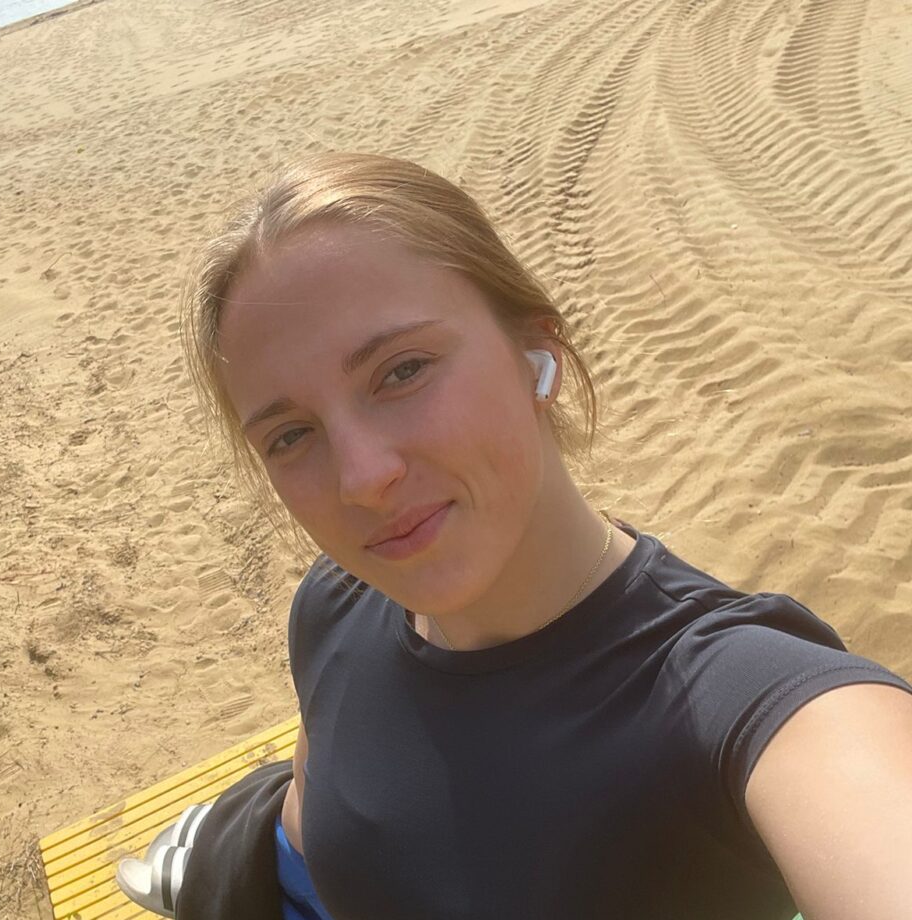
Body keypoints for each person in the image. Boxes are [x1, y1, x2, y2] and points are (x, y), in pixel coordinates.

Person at [171, 152, 912, 919]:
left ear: (538, 353)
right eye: (291, 436)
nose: (362, 478)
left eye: (402, 371)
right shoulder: (333, 608)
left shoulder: (740, 701)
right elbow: (324, 805)